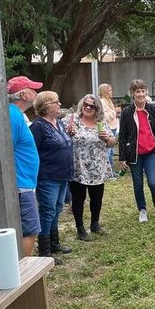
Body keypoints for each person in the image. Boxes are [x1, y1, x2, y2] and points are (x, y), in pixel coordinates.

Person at [29, 91, 73, 264]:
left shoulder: (59, 123)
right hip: (47, 177)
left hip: (63, 175)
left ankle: (54, 243)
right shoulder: (38, 127)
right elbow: (33, 152)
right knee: (47, 212)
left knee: (57, 209)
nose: (59, 104)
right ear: (46, 106)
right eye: (55, 102)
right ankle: (45, 251)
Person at [65, 94, 115, 240]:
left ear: (97, 109)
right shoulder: (72, 120)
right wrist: (68, 133)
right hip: (78, 166)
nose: (87, 107)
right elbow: (60, 133)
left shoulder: (101, 123)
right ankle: (80, 228)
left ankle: (95, 223)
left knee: (96, 197)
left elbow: (112, 142)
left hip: (97, 167)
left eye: (91, 106)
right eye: (85, 104)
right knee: (78, 198)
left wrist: (106, 137)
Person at [118, 79, 155, 223]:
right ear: (132, 94)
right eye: (137, 91)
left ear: (146, 92)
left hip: (151, 152)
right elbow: (123, 135)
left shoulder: (153, 110)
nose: (140, 94)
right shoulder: (126, 112)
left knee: (153, 182)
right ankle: (142, 210)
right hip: (135, 154)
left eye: (142, 91)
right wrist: (122, 157)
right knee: (138, 184)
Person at [6, 76, 43, 257]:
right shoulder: (13, 115)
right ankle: (24, 273)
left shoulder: (16, 114)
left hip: (24, 182)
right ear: (23, 94)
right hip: (20, 184)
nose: (36, 93)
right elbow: (5, 151)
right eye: (33, 89)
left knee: (28, 229)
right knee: (29, 230)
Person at [98, 83, 120, 175]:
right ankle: (107, 171)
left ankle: (111, 170)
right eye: (109, 90)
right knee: (108, 151)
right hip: (108, 127)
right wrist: (114, 111)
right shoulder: (102, 101)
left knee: (111, 151)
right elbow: (103, 116)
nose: (111, 92)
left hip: (113, 127)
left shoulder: (109, 101)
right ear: (105, 92)